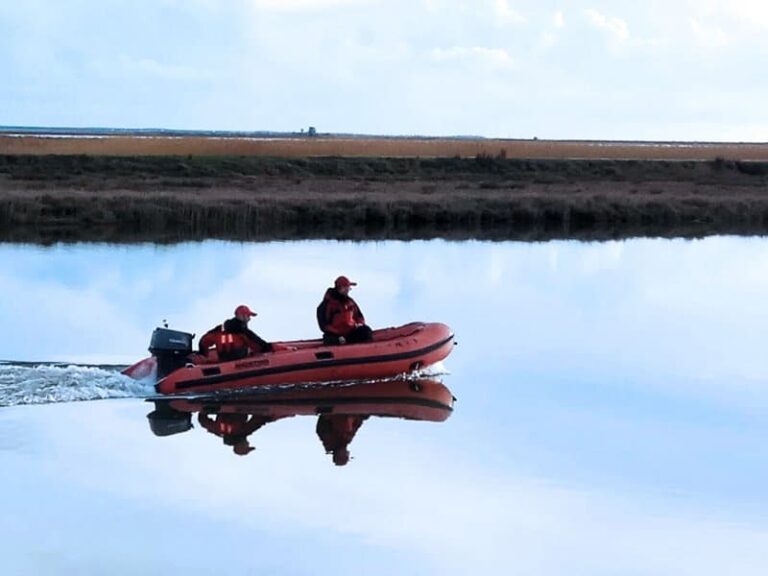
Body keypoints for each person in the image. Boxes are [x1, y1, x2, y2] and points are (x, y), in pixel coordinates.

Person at [198, 305, 273, 361]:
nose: (249, 319)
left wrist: (203, 354)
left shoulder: (218, 330)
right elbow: (258, 345)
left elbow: (203, 341)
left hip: (223, 360)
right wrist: (271, 348)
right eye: (248, 316)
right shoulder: (242, 331)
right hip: (240, 361)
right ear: (242, 316)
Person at [316, 276, 373, 345]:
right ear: (340, 288)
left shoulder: (350, 302)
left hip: (351, 332)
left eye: (349, 288)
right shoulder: (327, 304)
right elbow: (324, 325)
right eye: (346, 287)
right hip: (335, 335)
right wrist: (337, 333)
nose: (348, 290)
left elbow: (359, 316)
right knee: (333, 340)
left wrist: (360, 324)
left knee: (366, 331)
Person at [197, 411, 275, 456]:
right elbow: (203, 421)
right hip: (223, 401)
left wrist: (270, 417)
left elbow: (259, 419)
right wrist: (205, 410)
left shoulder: (244, 431)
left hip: (242, 400)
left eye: (247, 445)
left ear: (240, 445)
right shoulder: (219, 431)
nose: (248, 443)